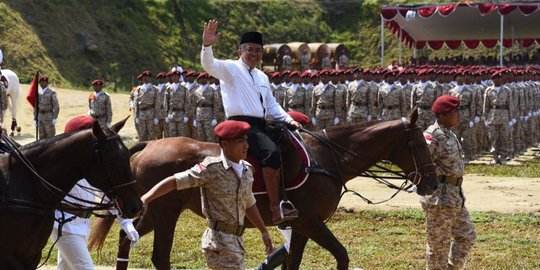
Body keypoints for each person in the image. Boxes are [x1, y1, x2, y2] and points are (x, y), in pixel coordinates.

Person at [200, 19, 301, 224]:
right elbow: (209, 64)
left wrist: (290, 121)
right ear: (240, 51)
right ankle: (275, 207)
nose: (254, 54)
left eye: (258, 50)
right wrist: (207, 45)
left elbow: (272, 106)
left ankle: (291, 196)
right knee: (270, 152)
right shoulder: (230, 69)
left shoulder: (262, 76)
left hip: (261, 124)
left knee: (290, 144)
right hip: (241, 126)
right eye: (249, 49)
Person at [141, 120, 274, 269]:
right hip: (218, 243)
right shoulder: (211, 169)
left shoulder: (246, 170)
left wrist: (263, 231)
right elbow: (174, 181)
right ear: (225, 145)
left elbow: (249, 201)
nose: (246, 146)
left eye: (246, 141)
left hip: (236, 242)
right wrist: (146, 198)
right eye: (240, 141)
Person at [51, 115, 139, 270]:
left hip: (83, 226)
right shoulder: (61, 168)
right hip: (65, 227)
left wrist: (126, 223)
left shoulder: (93, 168)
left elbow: (108, 195)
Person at [422, 95, 476, 270]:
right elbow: (422, 166)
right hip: (440, 198)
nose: (458, 115)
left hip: (455, 196)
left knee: (467, 235)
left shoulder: (449, 134)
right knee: (439, 247)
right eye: (455, 111)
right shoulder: (432, 135)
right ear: (443, 114)